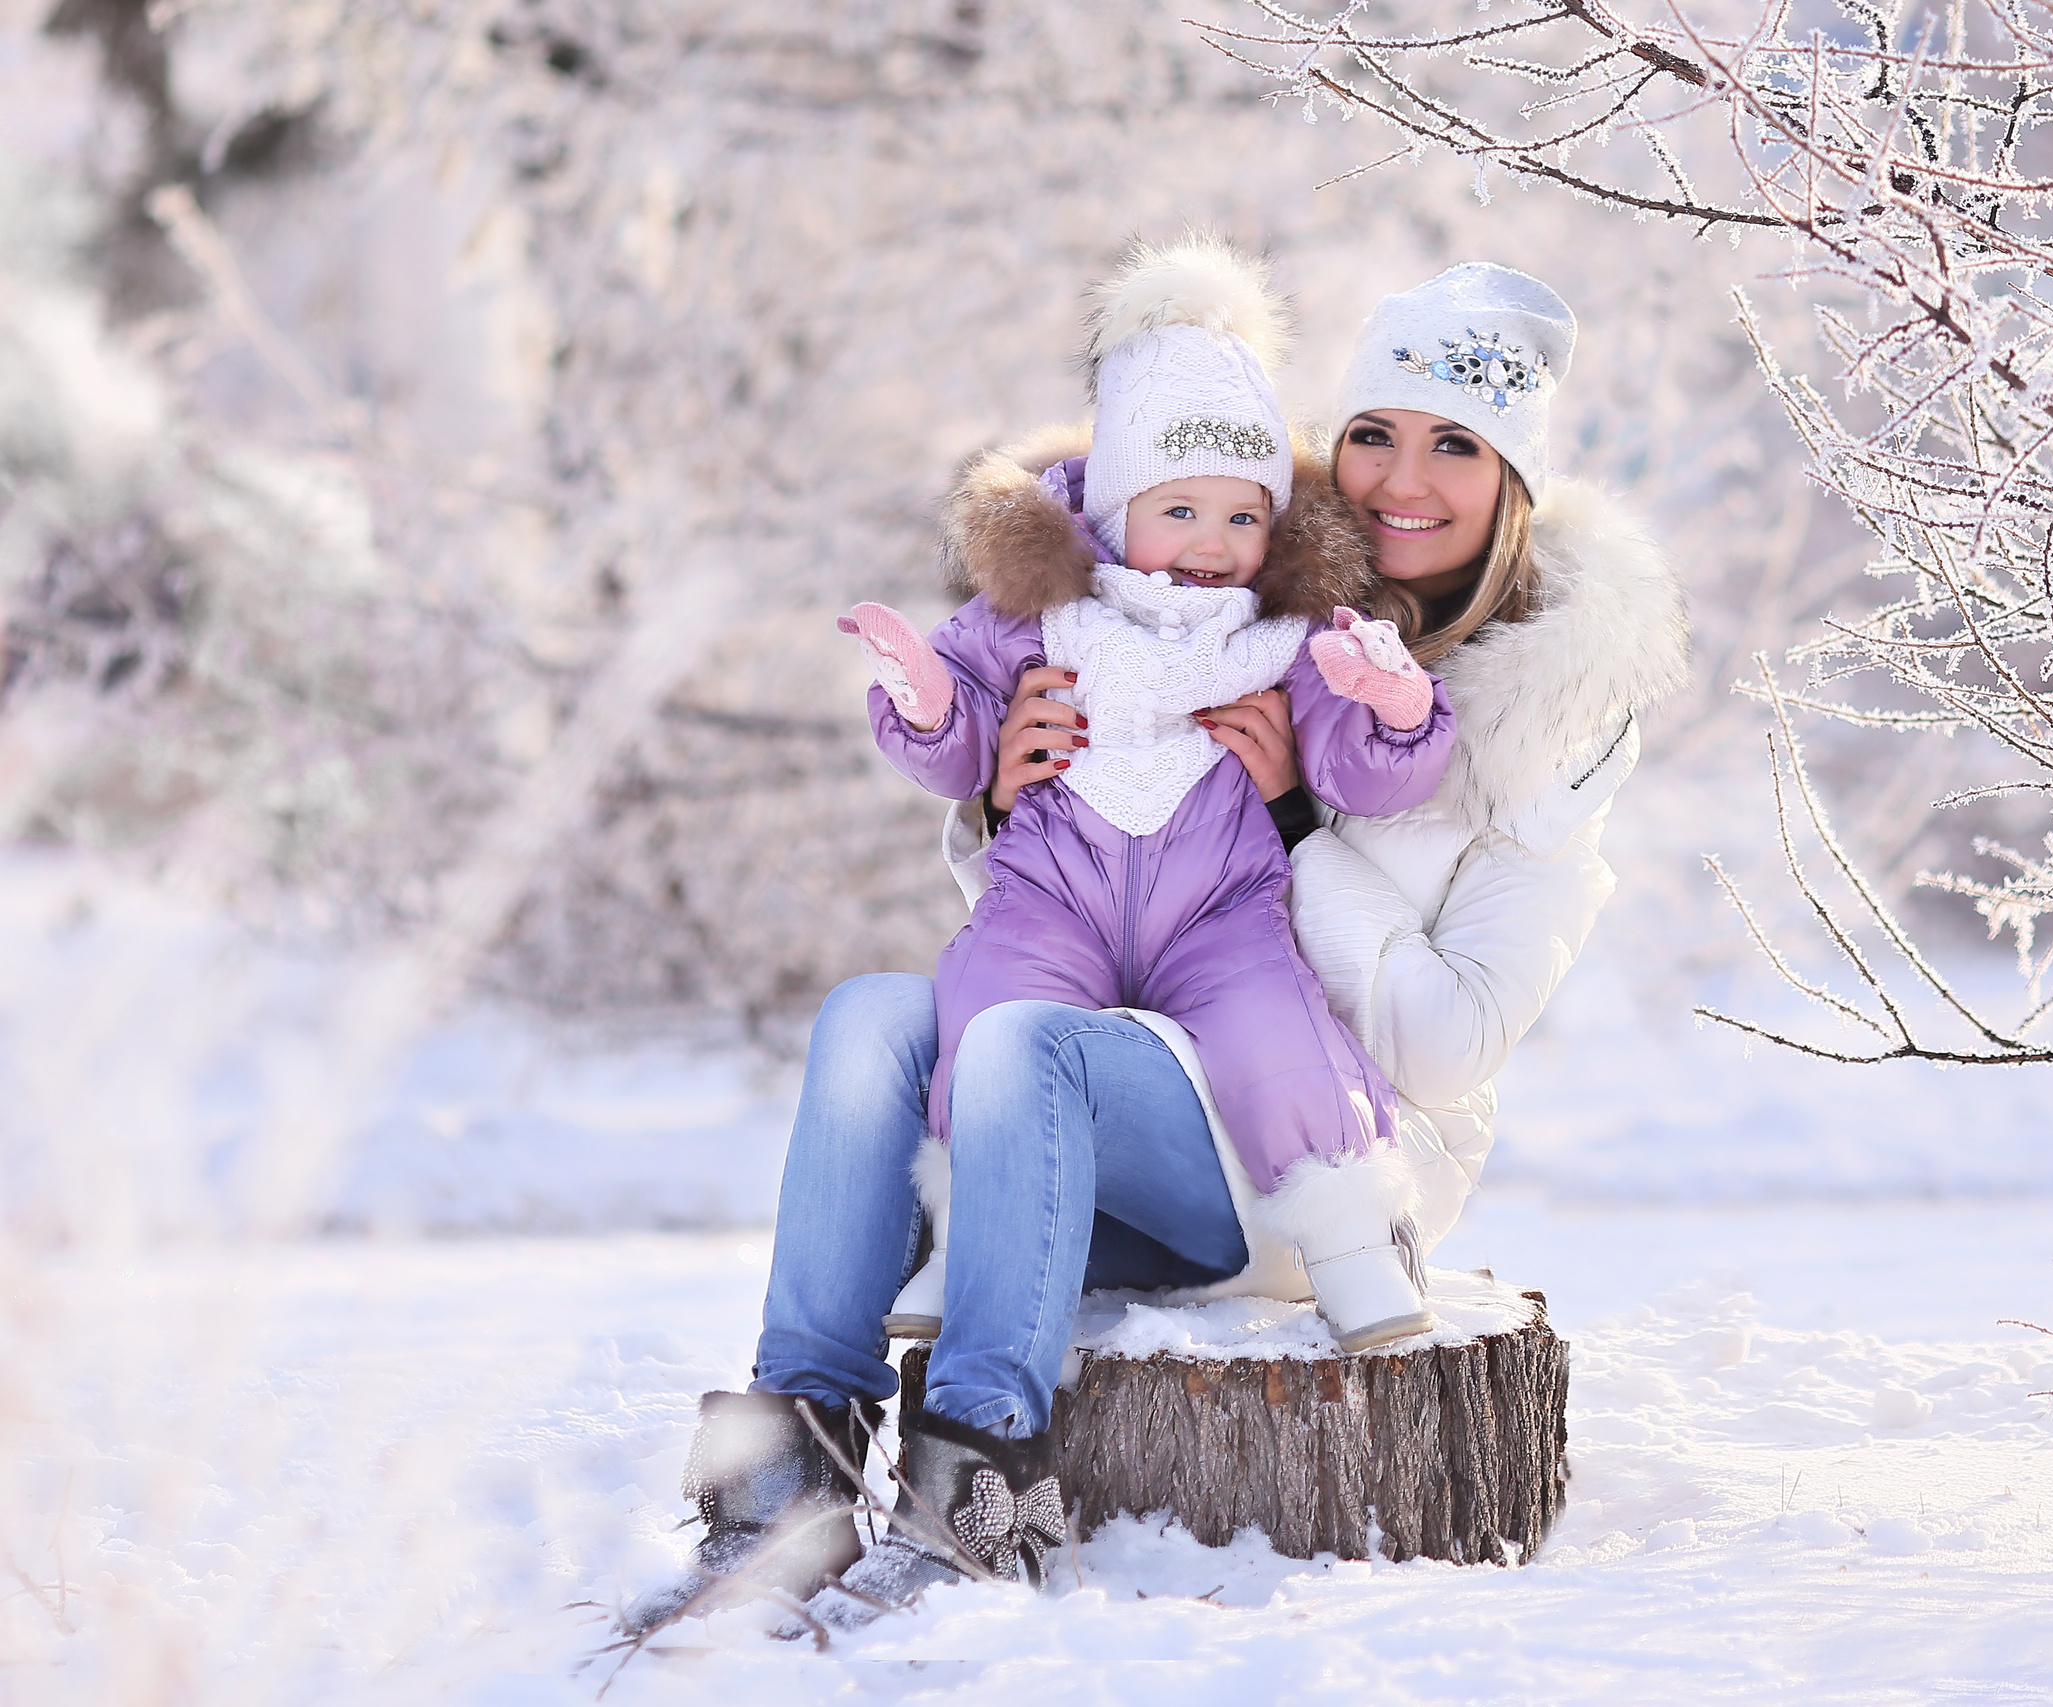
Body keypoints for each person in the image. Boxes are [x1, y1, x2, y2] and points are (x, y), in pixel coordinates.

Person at [631, 259, 1689, 1634]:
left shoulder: (1553, 733)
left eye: (1456, 446)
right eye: (1374, 430)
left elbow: (1446, 1039)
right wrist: (1010, 786)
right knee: (872, 1021)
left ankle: (980, 1490)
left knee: (1017, 1041)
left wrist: (1297, 825)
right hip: (1111, 1072)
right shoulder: (1252, 599)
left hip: (1316, 1166)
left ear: (1516, 484)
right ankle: (795, 1467)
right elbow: (1078, 889)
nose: (1400, 477)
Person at [838, 237, 1454, 1367]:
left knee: (1282, 1033)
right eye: (1180, 514)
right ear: (1118, 514)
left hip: (1219, 913)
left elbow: (1361, 770)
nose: (1213, 548)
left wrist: (1392, 711)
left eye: (1240, 517)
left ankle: (1352, 1245)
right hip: (1050, 901)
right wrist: (929, 701)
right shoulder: (1036, 617)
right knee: (988, 1008)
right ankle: (963, 1230)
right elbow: (966, 733)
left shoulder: (1284, 637)